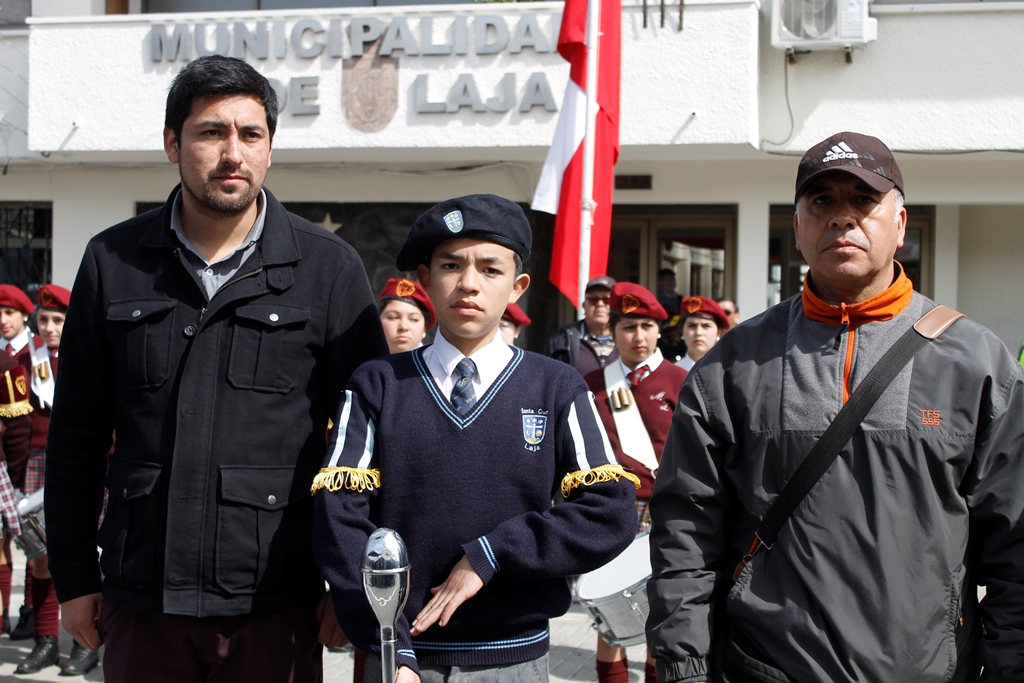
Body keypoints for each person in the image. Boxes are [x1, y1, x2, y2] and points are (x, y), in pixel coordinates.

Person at [44, 55, 387, 682]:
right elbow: (75, 438)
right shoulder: (113, 260)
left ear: (270, 149)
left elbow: (371, 441)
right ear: (172, 143)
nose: (233, 153)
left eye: (251, 134)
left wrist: (351, 579)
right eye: (211, 132)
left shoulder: (328, 268)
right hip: (141, 597)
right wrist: (73, 576)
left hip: (275, 603)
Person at [646, 131, 1024, 682]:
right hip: (763, 668)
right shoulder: (734, 363)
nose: (843, 217)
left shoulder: (976, 362)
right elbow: (686, 528)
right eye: (822, 200)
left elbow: (1016, 544)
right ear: (798, 227)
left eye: (864, 200)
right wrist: (685, 666)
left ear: (900, 225)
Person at [312, 193, 639, 683]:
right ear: (426, 278)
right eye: (451, 265)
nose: (468, 283)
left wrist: (491, 554)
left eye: (490, 269)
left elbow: (610, 511)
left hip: (514, 660)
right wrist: (389, 644)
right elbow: (339, 517)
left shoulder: (555, 386)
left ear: (518, 286)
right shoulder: (377, 384)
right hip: (400, 660)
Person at [583, 283, 687, 683]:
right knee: (611, 612)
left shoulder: (680, 380)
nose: (638, 336)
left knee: (662, 613)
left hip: (667, 508)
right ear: (612, 331)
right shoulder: (592, 384)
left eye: (646, 326)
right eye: (628, 327)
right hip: (612, 510)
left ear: (660, 330)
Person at [0, 284, 38, 643]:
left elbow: (19, 422)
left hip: (34, 455)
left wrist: (15, 472)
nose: (2, 320)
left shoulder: (34, 351)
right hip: (15, 459)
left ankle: (29, 609)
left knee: (33, 542)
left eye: (9, 312)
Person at [544, 275, 619, 376]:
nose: (600, 304)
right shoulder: (562, 340)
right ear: (584, 306)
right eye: (593, 300)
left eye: (607, 300)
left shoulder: (628, 338)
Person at [378, 277, 436, 354]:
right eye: (393, 317)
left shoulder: (440, 361)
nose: (403, 327)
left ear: (424, 329)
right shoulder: (363, 360)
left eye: (414, 319)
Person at [672, 296, 730, 371]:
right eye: (692, 326)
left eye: (706, 326)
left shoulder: (729, 371)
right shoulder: (672, 373)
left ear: (719, 332)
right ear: (682, 331)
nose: (698, 332)